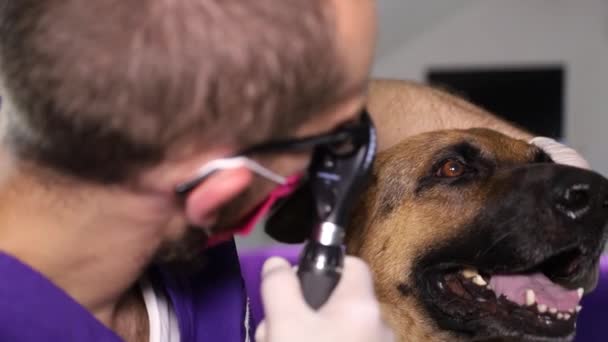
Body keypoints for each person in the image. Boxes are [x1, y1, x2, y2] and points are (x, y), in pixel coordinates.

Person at [0, 1, 587, 342]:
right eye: (335, 137)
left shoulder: (187, 253)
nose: (353, 147)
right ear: (221, 186)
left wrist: (533, 155)